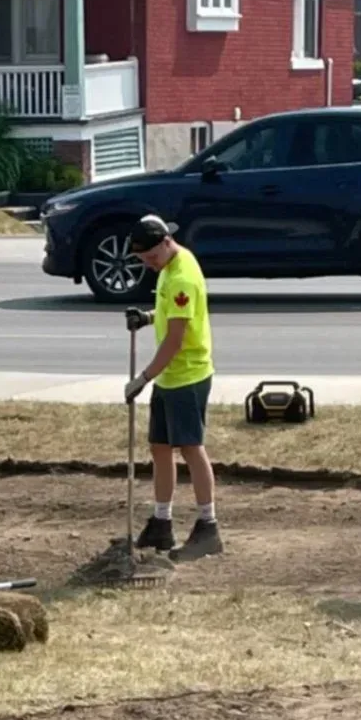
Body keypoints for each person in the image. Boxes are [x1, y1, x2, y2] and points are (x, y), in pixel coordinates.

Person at [124, 215, 221, 558]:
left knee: (191, 448)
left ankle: (208, 527)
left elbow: (176, 339)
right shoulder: (171, 264)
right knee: (160, 446)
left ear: (166, 242)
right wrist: (149, 317)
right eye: (142, 261)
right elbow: (171, 314)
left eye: (151, 258)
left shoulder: (181, 277)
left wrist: (143, 378)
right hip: (169, 375)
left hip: (187, 375)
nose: (149, 266)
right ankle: (161, 523)